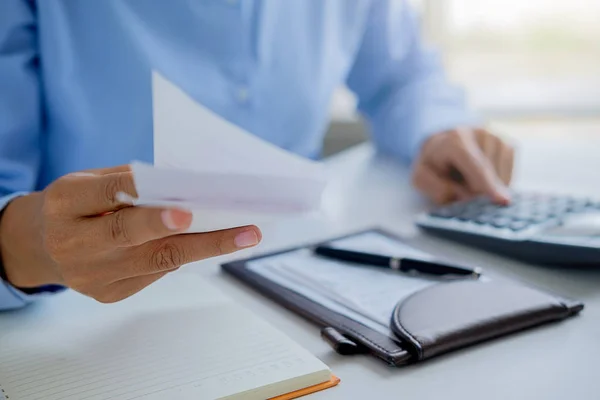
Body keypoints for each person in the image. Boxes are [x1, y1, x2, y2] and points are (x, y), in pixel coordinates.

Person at [0, 0, 514, 310]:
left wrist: (439, 129)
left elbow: (401, 76)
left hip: (306, 274)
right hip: (86, 305)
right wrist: (28, 249)